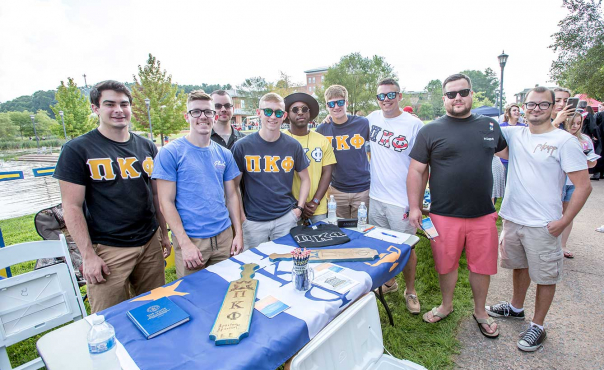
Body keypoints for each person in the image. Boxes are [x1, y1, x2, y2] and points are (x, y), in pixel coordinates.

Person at [486, 86, 592, 351]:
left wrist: (564, 221)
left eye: (543, 105)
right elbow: (484, 131)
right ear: (524, 108)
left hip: (544, 224)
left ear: (553, 107)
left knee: (546, 277)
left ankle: (538, 326)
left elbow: (583, 186)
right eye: (531, 105)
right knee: (519, 267)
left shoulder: (564, 141)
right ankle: (515, 308)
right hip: (513, 218)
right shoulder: (513, 134)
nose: (535, 109)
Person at [54, 80, 171, 313]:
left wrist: (164, 234)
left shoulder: (147, 146)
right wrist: (87, 256)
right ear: (95, 108)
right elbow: (72, 207)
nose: (119, 110)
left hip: (149, 242)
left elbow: (156, 194)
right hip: (108, 249)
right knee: (109, 317)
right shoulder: (78, 149)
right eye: (110, 104)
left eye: (124, 104)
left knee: (155, 309)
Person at [407, 74, 506, 338]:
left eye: (463, 92)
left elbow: (509, 157)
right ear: (444, 99)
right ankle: (446, 305)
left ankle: (480, 311)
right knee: (445, 264)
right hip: (443, 214)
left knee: (482, 266)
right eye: (451, 94)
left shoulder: (490, 126)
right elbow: (417, 171)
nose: (457, 98)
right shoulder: (431, 130)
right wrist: (415, 207)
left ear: (472, 94)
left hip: (483, 214)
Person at [152, 90, 243, 278]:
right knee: (193, 297)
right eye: (196, 112)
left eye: (208, 112)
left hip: (223, 236)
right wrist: (185, 244)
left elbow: (232, 195)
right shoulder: (171, 153)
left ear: (214, 116)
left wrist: (238, 233)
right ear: (187, 116)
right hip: (192, 239)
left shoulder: (224, 154)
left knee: (227, 290)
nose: (203, 116)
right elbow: (165, 203)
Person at [366, 78, 424, 314]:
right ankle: (389, 282)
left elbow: (423, 166)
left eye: (391, 95)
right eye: (381, 96)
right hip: (376, 196)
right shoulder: (371, 119)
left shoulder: (414, 124)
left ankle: (410, 291)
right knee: (381, 245)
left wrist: (416, 204)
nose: (386, 100)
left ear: (400, 96)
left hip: (401, 200)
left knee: (406, 249)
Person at [232, 93, 310, 249]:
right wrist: (242, 217)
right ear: (258, 112)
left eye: (278, 112)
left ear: (284, 116)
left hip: (285, 219)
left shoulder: (293, 146)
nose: (273, 116)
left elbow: (306, 179)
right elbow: (233, 187)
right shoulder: (242, 146)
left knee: (287, 264)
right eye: (268, 111)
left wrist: (299, 210)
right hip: (254, 222)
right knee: (252, 268)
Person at [316, 85, 370, 218]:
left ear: (346, 103)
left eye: (340, 102)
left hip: (363, 189)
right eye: (331, 104)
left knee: (362, 229)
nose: (336, 107)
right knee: (340, 229)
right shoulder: (322, 129)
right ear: (327, 106)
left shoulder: (362, 123)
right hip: (336, 189)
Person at [283, 93, 336, 224]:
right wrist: (298, 204)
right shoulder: (280, 140)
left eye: (304, 109)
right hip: (288, 209)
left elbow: (327, 173)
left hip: (317, 209)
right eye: (295, 110)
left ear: (309, 113)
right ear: (287, 114)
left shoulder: (322, 140)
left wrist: (315, 202)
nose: (300, 112)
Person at [559, 113, 599, 258]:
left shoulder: (586, 140)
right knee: (554, 213)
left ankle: (562, 245)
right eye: (572, 123)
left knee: (568, 214)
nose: (575, 126)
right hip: (559, 181)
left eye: (578, 123)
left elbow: (592, 162)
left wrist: (586, 159)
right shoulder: (559, 137)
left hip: (574, 183)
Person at [499, 104, 527, 176]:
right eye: (514, 110)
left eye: (518, 110)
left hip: (520, 160)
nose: (517, 112)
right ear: (508, 113)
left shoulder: (524, 127)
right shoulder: (501, 127)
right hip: (504, 161)